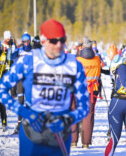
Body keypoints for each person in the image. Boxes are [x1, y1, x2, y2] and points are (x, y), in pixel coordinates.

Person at [0, 19, 89, 155]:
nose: (59, 45)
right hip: (32, 135)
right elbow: (2, 89)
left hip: (59, 135)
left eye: (62, 40)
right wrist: (25, 113)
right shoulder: (28, 61)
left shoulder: (75, 66)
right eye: (53, 41)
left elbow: (85, 106)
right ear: (43, 41)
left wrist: (67, 120)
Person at [71, 39, 101, 149]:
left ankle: (73, 141)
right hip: (92, 90)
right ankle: (86, 143)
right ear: (92, 47)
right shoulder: (97, 59)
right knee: (88, 116)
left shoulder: (77, 60)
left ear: (82, 47)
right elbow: (98, 73)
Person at [13, 32, 33, 134]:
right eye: (24, 41)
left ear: (30, 41)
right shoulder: (19, 50)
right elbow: (11, 58)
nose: (26, 43)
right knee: (20, 101)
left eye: (27, 41)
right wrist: (13, 50)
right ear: (22, 42)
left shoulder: (34, 51)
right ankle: (19, 125)